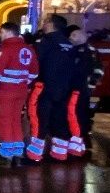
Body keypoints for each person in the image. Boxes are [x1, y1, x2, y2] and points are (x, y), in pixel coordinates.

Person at [26, 14, 75, 162]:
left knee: (39, 120)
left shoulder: (45, 42)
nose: (43, 24)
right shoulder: (69, 44)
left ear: (50, 24)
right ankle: (59, 153)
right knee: (60, 120)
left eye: (45, 22)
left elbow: (34, 63)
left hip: (45, 88)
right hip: (65, 89)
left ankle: (34, 154)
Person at [0, 22, 38, 166]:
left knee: (4, 120)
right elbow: (34, 72)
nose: (1, 36)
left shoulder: (6, 48)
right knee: (16, 119)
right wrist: (22, 81)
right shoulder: (29, 49)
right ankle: (18, 150)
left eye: (2, 33)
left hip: (5, 90)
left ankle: (7, 153)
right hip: (21, 91)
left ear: (9, 32)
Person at [66, 27, 103, 156]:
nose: (71, 38)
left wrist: (90, 84)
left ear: (81, 37)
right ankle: (81, 140)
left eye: (74, 35)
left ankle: (78, 141)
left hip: (80, 88)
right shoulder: (80, 50)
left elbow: (96, 70)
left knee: (77, 114)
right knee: (81, 114)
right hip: (81, 88)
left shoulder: (84, 51)